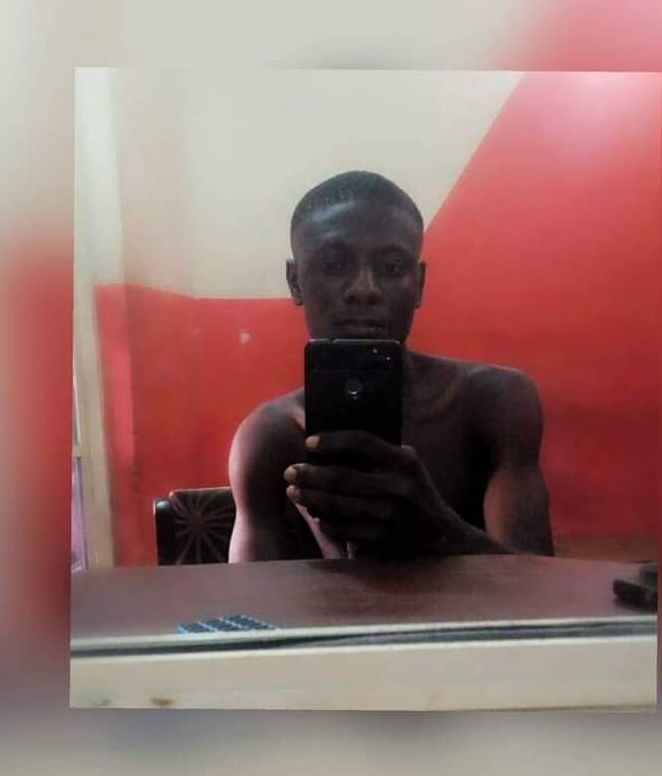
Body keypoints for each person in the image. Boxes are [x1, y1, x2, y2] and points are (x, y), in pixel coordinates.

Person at [228, 170, 552, 561]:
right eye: (333, 265)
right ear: (295, 281)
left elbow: (538, 586)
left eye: (392, 268)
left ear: (419, 284)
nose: (364, 289)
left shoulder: (494, 403)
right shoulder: (271, 436)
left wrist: (439, 533)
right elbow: (249, 598)